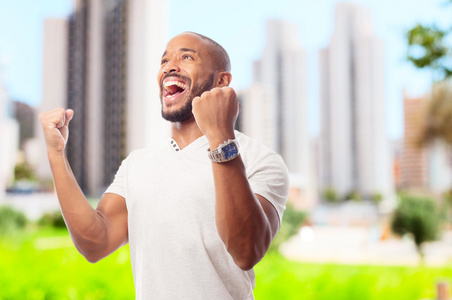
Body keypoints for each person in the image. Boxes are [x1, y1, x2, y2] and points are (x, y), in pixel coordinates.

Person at [39, 32, 289, 299]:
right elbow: (95, 243)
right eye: (164, 60)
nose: (170, 66)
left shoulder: (261, 161)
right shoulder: (138, 163)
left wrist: (220, 136)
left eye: (186, 57)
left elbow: (246, 251)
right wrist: (56, 154)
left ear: (221, 81)